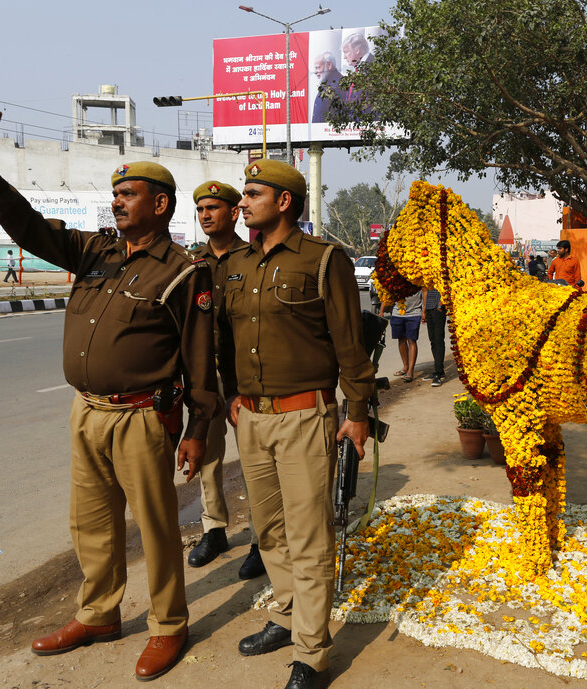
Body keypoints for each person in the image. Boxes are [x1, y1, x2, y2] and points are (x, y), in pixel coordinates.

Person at [0, 115, 218, 681]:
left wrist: (198, 432)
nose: (118, 202)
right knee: (91, 524)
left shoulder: (181, 272)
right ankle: (98, 615)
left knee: (155, 527)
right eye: (115, 193)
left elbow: (200, 362)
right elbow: (26, 226)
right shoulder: (95, 252)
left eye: (129, 194)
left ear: (162, 205)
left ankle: (168, 625)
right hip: (87, 412)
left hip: (142, 417)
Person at [217, 160, 375, 689]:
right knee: (269, 531)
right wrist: (229, 397)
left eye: (253, 193)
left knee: (309, 536)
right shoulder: (236, 262)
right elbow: (224, 342)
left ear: (284, 202)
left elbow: (350, 343)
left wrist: (356, 414)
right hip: (252, 420)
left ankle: (312, 652)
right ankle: (286, 616)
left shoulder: (323, 259)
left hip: (306, 416)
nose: (243, 203)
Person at [186, 180, 264, 580]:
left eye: (213, 208)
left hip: (244, 374)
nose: (205, 215)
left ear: (234, 212)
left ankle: (260, 539)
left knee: (253, 456)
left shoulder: (251, 257)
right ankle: (214, 529)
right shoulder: (192, 261)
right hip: (203, 372)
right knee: (208, 456)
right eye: (200, 209)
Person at [380, 290, 422, 383]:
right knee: (401, 340)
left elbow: (425, 291)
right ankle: (405, 367)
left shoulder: (417, 278)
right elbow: (387, 292)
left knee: (412, 340)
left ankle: (410, 371)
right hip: (397, 314)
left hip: (414, 314)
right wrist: (381, 311)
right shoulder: (396, 277)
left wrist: (424, 312)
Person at [310, 52, 347, 123]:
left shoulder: (339, 85)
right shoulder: (326, 84)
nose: (315, 72)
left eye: (318, 67)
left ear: (329, 65)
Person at [421, 286, 447, 387]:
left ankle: (439, 373)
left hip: (438, 309)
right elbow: (425, 291)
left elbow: (445, 288)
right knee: (433, 340)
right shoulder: (424, 274)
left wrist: (440, 305)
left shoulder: (438, 271)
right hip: (429, 308)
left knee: (438, 340)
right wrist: (424, 311)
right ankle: (438, 370)